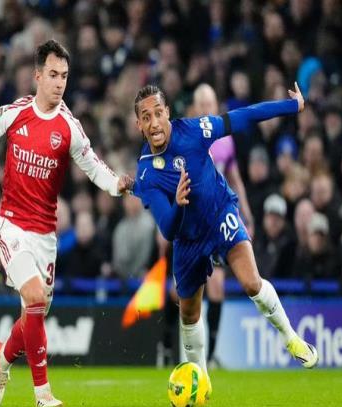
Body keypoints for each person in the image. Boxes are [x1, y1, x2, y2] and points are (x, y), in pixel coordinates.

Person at [0, 40, 133, 407]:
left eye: (64, 76)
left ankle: (1, 359)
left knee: (32, 316)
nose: (59, 83)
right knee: (35, 297)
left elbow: (94, 167)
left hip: (45, 237)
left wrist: (117, 184)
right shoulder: (16, 113)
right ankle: (43, 393)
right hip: (11, 227)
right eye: (53, 75)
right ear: (37, 76)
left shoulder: (69, 127)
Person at [131, 83, 318, 391]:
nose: (154, 123)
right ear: (139, 124)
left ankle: (291, 338)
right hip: (188, 240)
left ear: (168, 114)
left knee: (251, 283)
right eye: (146, 117)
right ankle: (201, 380)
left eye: (158, 113)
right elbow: (168, 229)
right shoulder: (146, 173)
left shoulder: (194, 131)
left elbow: (242, 117)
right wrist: (178, 205)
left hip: (220, 214)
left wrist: (291, 106)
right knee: (189, 312)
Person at [191, 83, 254, 368]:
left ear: (216, 106)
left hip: (215, 223)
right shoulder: (187, 137)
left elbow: (234, 178)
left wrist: (246, 214)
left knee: (217, 287)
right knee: (182, 290)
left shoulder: (225, 141)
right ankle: (168, 348)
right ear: (195, 108)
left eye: (210, 103)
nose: (206, 108)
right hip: (190, 224)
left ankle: (210, 355)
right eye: (202, 104)